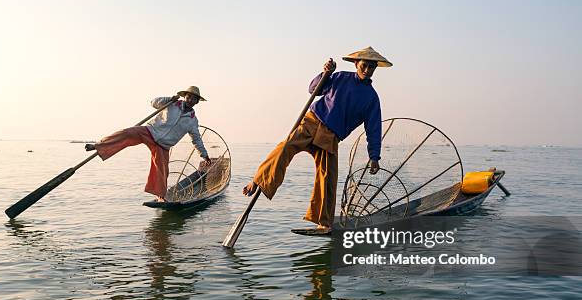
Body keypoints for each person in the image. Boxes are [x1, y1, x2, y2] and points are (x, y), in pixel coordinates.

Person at [243, 46, 392, 233]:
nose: (367, 70)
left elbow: (374, 128)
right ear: (356, 63)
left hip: (331, 135)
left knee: (327, 177)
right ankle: (258, 180)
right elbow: (313, 89)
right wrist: (326, 73)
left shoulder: (371, 98)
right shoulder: (340, 77)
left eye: (372, 67)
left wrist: (374, 156)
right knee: (286, 147)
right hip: (312, 121)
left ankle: (324, 223)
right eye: (364, 65)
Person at [85, 86, 211, 202]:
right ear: (185, 97)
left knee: (162, 171)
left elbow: (196, 139)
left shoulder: (192, 121)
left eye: (193, 98)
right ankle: (98, 145)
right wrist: (169, 99)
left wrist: (204, 155)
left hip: (163, 145)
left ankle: (161, 196)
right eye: (188, 97)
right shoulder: (172, 104)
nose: (190, 100)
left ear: (196, 102)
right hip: (150, 132)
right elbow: (153, 102)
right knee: (126, 133)